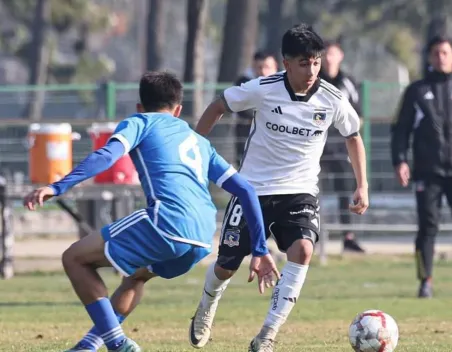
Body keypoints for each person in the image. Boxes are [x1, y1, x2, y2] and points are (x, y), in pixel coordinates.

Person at [23, 71, 280, 352]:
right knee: (135, 277)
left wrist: (57, 187)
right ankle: (88, 346)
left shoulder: (139, 122)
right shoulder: (199, 141)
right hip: (203, 237)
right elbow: (246, 191)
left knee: (74, 258)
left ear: (139, 106)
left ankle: (118, 343)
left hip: (167, 222)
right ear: (179, 109)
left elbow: (107, 156)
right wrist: (259, 249)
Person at [189, 24, 369, 352]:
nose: (313, 69)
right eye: (304, 63)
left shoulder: (331, 98)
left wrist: (362, 185)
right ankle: (206, 305)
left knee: (303, 251)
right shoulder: (263, 88)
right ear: (286, 62)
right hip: (252, 191)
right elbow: (218, 106)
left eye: (316, 62)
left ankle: (267, 335)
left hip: (299, 190)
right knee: (226, 265)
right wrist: (195, 153)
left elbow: (353, 136)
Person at [391, 35, 452, 298]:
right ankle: (425, 280)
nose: (441, 57)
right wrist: (400, 159)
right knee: (427, 228)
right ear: (429, 58)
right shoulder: (416, 91)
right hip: (428, 171)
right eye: (436, 53)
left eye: (445, 52)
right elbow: (400, 129)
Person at [319, 39, 365, 253]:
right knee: (308, 190)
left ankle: (348, 236)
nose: (329, 58)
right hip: (315, 146)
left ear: (340, 56)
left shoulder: (349, 83)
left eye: (333, 54)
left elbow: (358, 116)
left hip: (340, 148)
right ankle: (310, 235)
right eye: (325, 54)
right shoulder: (313, 80)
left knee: (345, 191)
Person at [234, 51, 278, 166]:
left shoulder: (284, 86)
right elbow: (243, 109)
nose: (263, 72)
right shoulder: (243, 83)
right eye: (259, 67)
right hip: (248, 140)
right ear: (253, 67)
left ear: (276, 68)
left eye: (267, 67)